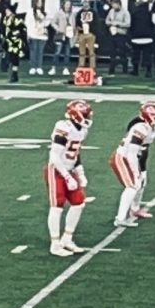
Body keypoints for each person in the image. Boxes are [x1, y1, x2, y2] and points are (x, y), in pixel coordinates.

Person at [46, 100, 93, 257]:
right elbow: (54, 156)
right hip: (56, 170)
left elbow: (75, 153)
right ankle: (55, 244)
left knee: (78, 203)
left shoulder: (81, 130)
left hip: (70, 169)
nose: (88, 118)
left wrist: (80, 172)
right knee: (57, 206)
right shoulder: (63, 127)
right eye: (85, 115)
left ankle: (67, 238)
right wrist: (66, 177)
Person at [111, 101, 155, 229]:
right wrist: (136, 172)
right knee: (132, 186)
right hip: (123, 157)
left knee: (142, 182)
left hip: (136, 156)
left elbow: (143, 149)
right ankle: (120, 218)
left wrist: (142, 170)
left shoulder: (150, 127)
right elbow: (131, 153)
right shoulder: (140, 128)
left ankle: (135, 209)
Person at [50, 0, 76, 76]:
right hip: (61, 35)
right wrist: (58, 29)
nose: (68, 6)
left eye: (69, 4)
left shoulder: (72, 14)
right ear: (63, 5)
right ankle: (53, 68)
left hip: (69, 35)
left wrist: (72, 32)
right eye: (66, 4)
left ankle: (65, 68)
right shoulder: (59, 13)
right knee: (57, 52)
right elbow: (53, 22)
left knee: (67, 53)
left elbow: (73, 24)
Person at [105, 0, 130, 75]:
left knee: (122, 52)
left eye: (115, 6)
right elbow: (106, 21)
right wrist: (110, 23)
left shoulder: (125, 12)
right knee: (112, 52)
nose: (114, 7)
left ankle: (124, 69)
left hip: (121, 34)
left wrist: (118, 24)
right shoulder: (111, 11)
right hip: (112, 34)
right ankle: (111, 69)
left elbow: (128, 24)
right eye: (112, 6)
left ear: (119, 4)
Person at [2, 5, 26, 83]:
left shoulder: (17, 20)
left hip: (15, 42)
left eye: (8, 11)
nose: (6, 12)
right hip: (8, 42)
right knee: (9, 58)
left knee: (14, 58)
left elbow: (22, 30)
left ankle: (14, 74)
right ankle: (11, 73)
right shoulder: (5, 19)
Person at [26, 0, 50, 76]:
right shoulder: (30, 11)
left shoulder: (45, 12)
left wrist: (43, 24)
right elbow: (27, 23)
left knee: (40, 51)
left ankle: (39, 67)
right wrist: (29, 33)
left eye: (41, 2)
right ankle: (33, 67)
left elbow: (47, 23)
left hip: (42, 35)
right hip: (33, 34)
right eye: (38, 2)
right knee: (33, 51)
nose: (40, 3)